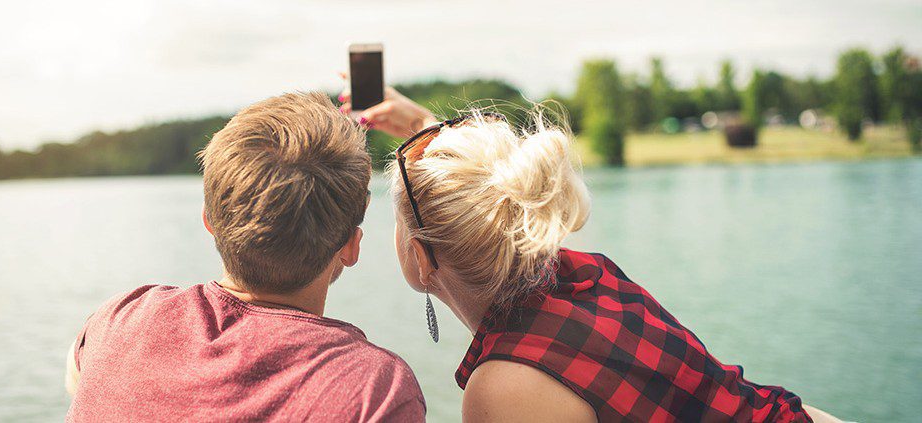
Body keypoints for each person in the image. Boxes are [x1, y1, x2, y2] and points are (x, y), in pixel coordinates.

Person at [342, 88, 844, 422]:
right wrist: (421, 124)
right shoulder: (581, 274)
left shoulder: (503, 388)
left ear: (421, 258)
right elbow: (498, 199)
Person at [64, 92, 426, 422]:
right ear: (351, 246)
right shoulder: (375, 394)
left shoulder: (119, 320)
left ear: (209, 222)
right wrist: (424, 129)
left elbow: (81, 380)